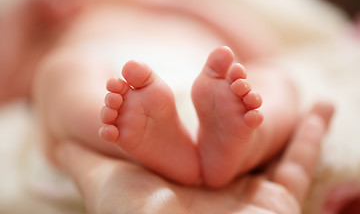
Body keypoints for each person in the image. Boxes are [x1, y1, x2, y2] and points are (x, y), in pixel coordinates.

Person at [4, 0, 296, 188]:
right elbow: (5, 85)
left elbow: (265, 49)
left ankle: (247, 143)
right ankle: (137, 139)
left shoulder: (174, 8)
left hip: (205, 84)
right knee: (59, 71)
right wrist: (24, 14)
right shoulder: (64, 28)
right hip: (108, 90)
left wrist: (178, 1)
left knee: (276, 78)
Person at [54, 101, 334, 214]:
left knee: (63, 76)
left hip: (140, 101)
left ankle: (243, 147)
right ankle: (249, 147)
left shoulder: (107, 1)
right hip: (153, 103)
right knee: (275, 82)